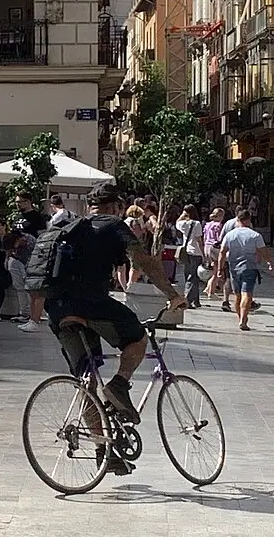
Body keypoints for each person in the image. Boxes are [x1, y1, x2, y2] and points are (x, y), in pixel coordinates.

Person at [45, 182, 185, 426]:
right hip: (91, 303)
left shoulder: (70, 226)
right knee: (138, 339)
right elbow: (142, 261)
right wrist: (173, 295)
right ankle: (119, 385)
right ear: (115, 207)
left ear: (89, 206)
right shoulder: (113, 224)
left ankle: (104, 446)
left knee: (87, 380)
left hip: (57, 308)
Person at [217, 209, 273, 332]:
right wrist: (269, 261)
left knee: (237, 296)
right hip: (250, 267)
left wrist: (219, 269)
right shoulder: (255, 235)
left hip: (233, 268)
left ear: (238, 219)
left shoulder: (230, 235)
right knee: (247, 294)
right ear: (249, 220)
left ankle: (240, 318)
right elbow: (263, 250)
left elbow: (222, 252)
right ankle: (243, 319)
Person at [14, 190, 48, 332]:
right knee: (21, 287)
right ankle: (27, 315)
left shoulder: (37, 217)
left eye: (20, 202)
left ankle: (35, 318)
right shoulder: (17, 217)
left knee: (33, 289)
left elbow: (42, 236)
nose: (17, 205)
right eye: (16, 202)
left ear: (28, 201)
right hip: (17, 256)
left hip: (32, 256)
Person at [175, 204, 204, 309]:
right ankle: (187, 300)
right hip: (195, 252)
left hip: (186, 252)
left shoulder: (183, 223)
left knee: (189, 275)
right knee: (193, 277)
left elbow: (177, 223)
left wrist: (182, 215)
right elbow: (199, 240)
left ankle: (196, 300)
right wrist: (203, 254)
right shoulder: (197, 224)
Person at [203, 208, 226, 298]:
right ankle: (210, 292)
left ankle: (209, 288)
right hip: (215, 247)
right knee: (217, 272)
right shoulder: (218, 225)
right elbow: (219, 238)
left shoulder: (207, 224)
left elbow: (204, 237)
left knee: (214, 270)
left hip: (207, 246)